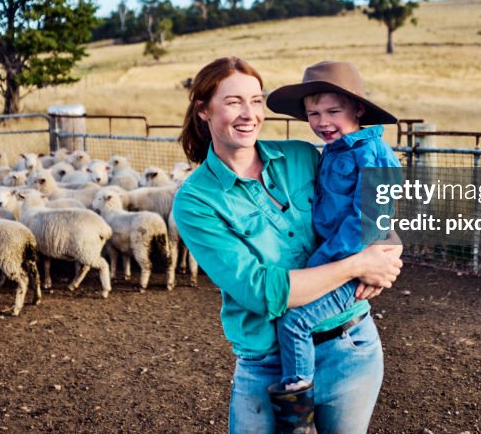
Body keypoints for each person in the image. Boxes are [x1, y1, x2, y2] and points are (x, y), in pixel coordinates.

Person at [172, 56, 402, 434]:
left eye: (256, 100)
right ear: (203, 110)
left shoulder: (301, 156)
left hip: (349, 347)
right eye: (233, 102)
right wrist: (358, 265)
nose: (249, 114)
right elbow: (263, 292)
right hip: (267, 367)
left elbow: (369, 210)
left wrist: (389, 254)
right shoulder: (196, 201)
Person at [264, 60, 402, 430]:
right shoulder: (334, 150)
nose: (322, 122)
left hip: (348, 264)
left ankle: (298, 416)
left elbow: (367, 222)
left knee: (295, 320)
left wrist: (318, 266)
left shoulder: (375, 156)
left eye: (333, 112)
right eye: (313, 114)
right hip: (338, 259)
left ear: (358, 109)